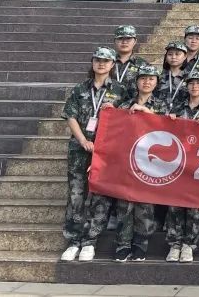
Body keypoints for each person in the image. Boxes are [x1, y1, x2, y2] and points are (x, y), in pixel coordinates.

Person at [59, 47, 124, 262]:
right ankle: (73, 240)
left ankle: (90, 241)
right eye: (97, 60)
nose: (101, 64)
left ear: (112, 64)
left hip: (106, 152)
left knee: (100, 196)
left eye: (106, 61)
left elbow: (128, 121)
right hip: (80, 149)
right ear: (92, 62)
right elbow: (70, 116)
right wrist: (83, 141)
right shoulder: (80, 89)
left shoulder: (120, 90)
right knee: (76, 196)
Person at [113, 64, 163, 262]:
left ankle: (141, 244)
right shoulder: (124, 105)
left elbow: (169, 127)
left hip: (150, 163)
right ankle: (123, 244)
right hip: (126, 159)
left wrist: (147, 111)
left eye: (151, 79)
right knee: (124, 204)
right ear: (136, 82)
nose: (146, 82)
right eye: (142, 78)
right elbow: (114, 130)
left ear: (157, 82)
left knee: (145, 204)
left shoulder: (162, 105)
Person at [165, 70, 199, 262]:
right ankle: (174, 244)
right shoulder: (177, 107)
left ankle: (188, 245)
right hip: (177, 163)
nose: (195, 86)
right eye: (191, 83)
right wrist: (168, 121)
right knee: (174, 205)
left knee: (194, 206)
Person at [111, 25, 147, 95]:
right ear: (114, 41)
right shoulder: (106, 62)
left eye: (128, 38)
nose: (124, 42)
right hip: (108, 100)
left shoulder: (143, 65)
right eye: (120, 38)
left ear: (135, 41)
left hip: (133, 101)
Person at [156, 40, 189, 110]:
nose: (173, 57)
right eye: (170, 54)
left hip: (182, 114)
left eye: (177, 54)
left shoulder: (190, 77)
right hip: (159, 113)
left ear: (185, 56)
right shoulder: (158, 76)